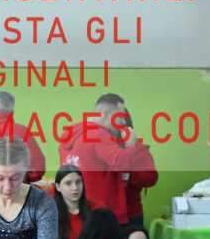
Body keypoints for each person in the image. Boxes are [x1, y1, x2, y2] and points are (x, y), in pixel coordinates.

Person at [59, 93, 156, 226]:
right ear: (106, 115)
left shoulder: (70, 136)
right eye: (119, 117)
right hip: (105, 213)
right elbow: (120, 162)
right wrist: (133, 147)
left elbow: (150, 177)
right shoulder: (100, 136)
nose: (122, 123)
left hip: (82, 211)